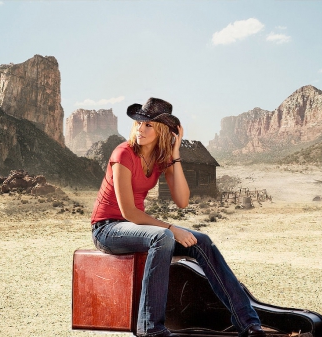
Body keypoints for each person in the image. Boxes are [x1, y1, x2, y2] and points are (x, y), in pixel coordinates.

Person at [90, 97, 266, 337]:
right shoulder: (123, 153)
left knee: (201, 240)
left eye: (149, 125)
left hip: (135, 228)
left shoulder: (162, 157)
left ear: (162, 130)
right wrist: (172, 229)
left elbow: (182, 200)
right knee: (162, 237)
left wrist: (175, 153)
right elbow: (128, 212)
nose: (140, 129)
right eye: (139, 123)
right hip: (107, 229)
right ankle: (151, 328)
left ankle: (248, 323)